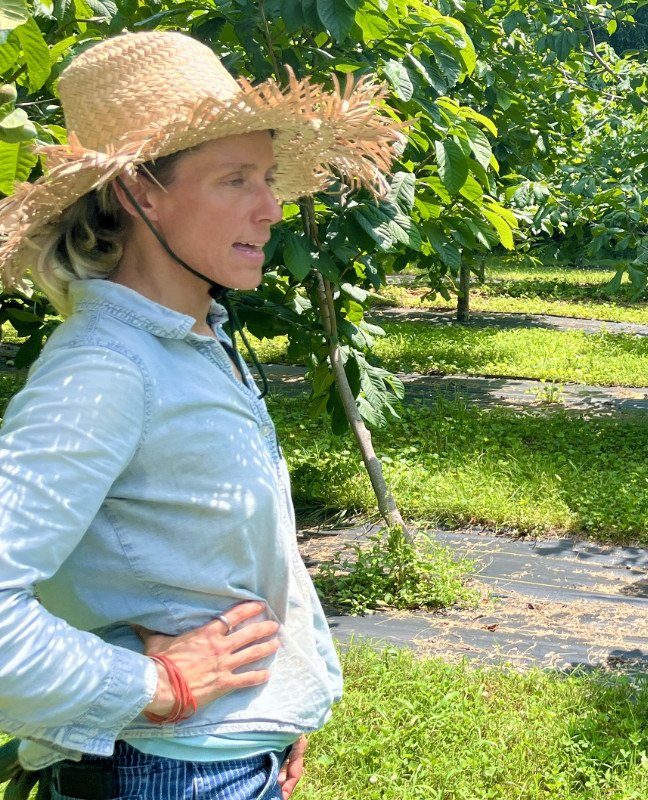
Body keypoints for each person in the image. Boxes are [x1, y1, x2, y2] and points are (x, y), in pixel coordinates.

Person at [0, 30, 402, 799]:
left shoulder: (195, 339)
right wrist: (154, 686)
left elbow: (215, 560)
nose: (272, 207)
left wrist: (278, 707)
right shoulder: (104, 373)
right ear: (139, 193)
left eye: (269, 177)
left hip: (223, 758)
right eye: (235, 180)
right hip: (169, 771)